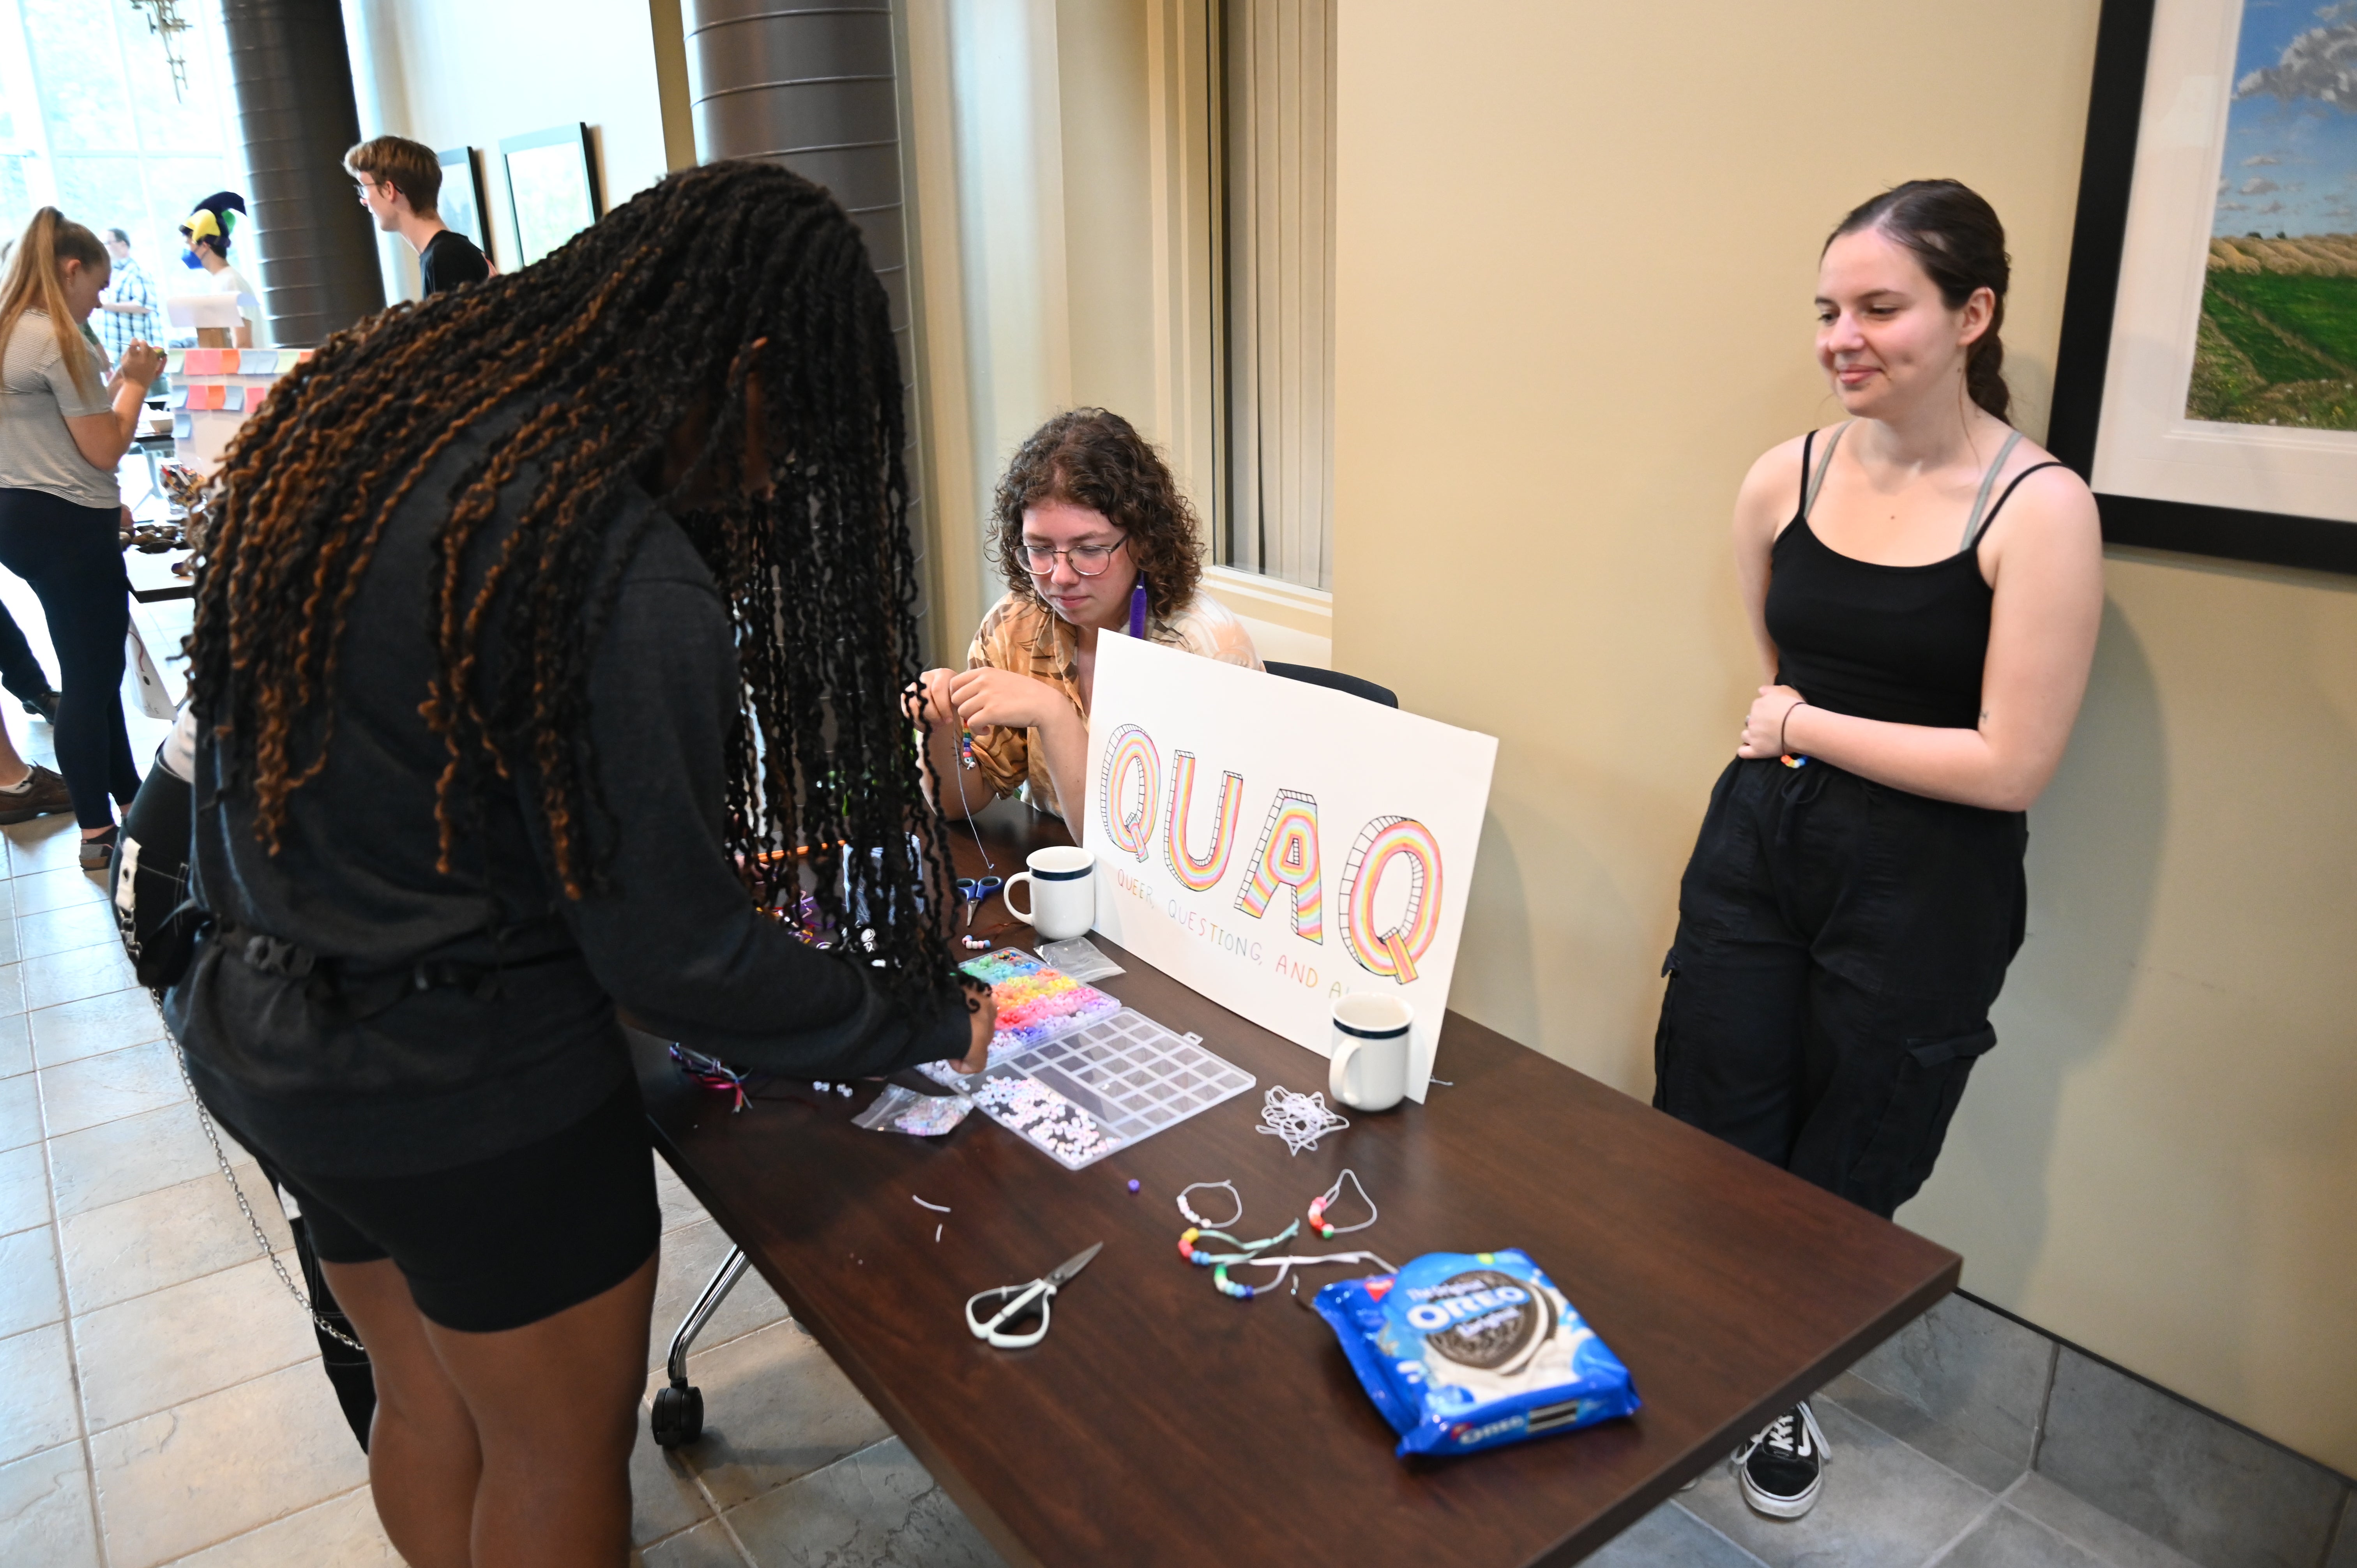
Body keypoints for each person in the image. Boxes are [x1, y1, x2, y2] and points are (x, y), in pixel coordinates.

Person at [164, 159, 993, 1568]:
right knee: (553, 1450)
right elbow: (676, 961)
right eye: (788, 429)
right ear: (735, 369)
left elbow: (417, 774)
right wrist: (919, 1017)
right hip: (466, 1089)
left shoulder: (366, 419)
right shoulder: (608, 556)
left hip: (264, 1029)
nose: (777, 472)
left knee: (427, 1398)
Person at [1652, 180, 2102, 1521]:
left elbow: (2008, 763)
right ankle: (1698, 1356)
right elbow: (1774, 659)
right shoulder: (1777, 478)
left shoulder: (2037, 509)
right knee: (1708, 1102)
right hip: (1759, 843)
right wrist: (1792, 721)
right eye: (1826, 310)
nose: (1839, 335)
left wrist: (1799, 724)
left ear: (1969, 315)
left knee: (1851, 1156)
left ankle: (1781, 1375)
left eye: (1876, 307)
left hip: (1925, 884)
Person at [917, 408, 1262, 822]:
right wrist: (941, 727)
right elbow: (956, 806)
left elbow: (1140, 850)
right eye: (1040, 549)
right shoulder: (1017, 623)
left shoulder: (1204, 650)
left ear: (1144, 542)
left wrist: (1053, 713)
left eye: (1091, 550)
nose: (1060, 577)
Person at [0, 209, 160, 851]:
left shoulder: (11, 329)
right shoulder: (54, 337)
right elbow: (104, 447)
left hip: (21, 515)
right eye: (96, 288)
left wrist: (115, 382)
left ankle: (130, 798)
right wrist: (139, 386)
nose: (99, 301)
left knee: (91, 663)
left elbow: (53, 432)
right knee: (92, 680)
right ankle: (98, 829)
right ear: (70, 270)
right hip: (68, 524)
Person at [344, 135, 493, 297]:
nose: (364, 201)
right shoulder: (441, 255)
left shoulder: (445, 257)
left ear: (389, 190)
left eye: (364, 188)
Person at [178, 192, 258, 348]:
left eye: (189, 243)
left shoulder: (231, 282)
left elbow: (243, 345)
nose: (187, 250)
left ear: (205, 245)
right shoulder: (222, 281)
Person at [95, 227, 161, 366]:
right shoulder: (111, 274)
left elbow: (146, 306)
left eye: (106, 243)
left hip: (139, 355)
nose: (102, 248)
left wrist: (108, 306)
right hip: (116, 354)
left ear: (123, 245)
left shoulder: (137, 273)